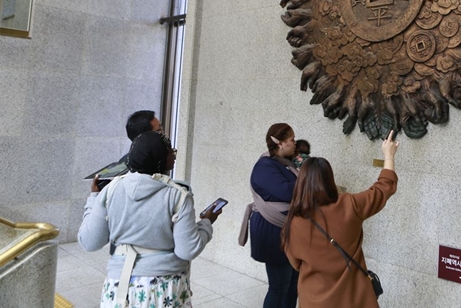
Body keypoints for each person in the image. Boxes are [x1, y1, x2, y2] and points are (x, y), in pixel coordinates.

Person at [78, 130, 221, 308]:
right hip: (165, 289)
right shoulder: (178, 196)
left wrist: (93, 199)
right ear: (160, 158)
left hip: (118, 288)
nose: (174, 155)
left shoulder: (110, 190)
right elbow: (188, 250)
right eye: (171, 151)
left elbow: (90, 242)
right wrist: (206, 223)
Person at [282, 131, 399, 308]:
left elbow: (296, 263)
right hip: (355, 298)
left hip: (314, 300)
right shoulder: (349, 204)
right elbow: (384, 187)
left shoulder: (294, 222)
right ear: (330, 180)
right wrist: (388, 156)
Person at [239, 123, 299, 308]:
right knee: (279, 287)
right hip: (272, 231)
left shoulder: (285, 163)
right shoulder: (265, 166)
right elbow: (289, 192)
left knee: (292, 286)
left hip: (288, 230)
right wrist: (311, 178)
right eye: (292, 140)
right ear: (280, 143)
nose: (295, 143)